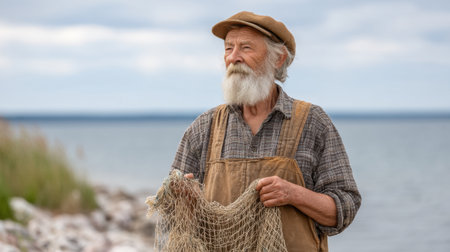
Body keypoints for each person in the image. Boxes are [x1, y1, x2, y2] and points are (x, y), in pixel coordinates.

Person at [171, 11, 361, 251]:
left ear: (278, 58)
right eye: (228, 48)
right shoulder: (204, 127)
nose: (234, 58)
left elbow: (345, 209)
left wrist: (294, 194)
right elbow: (177, 222)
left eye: (246, 48)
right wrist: (184, 203)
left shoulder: (313, 122)